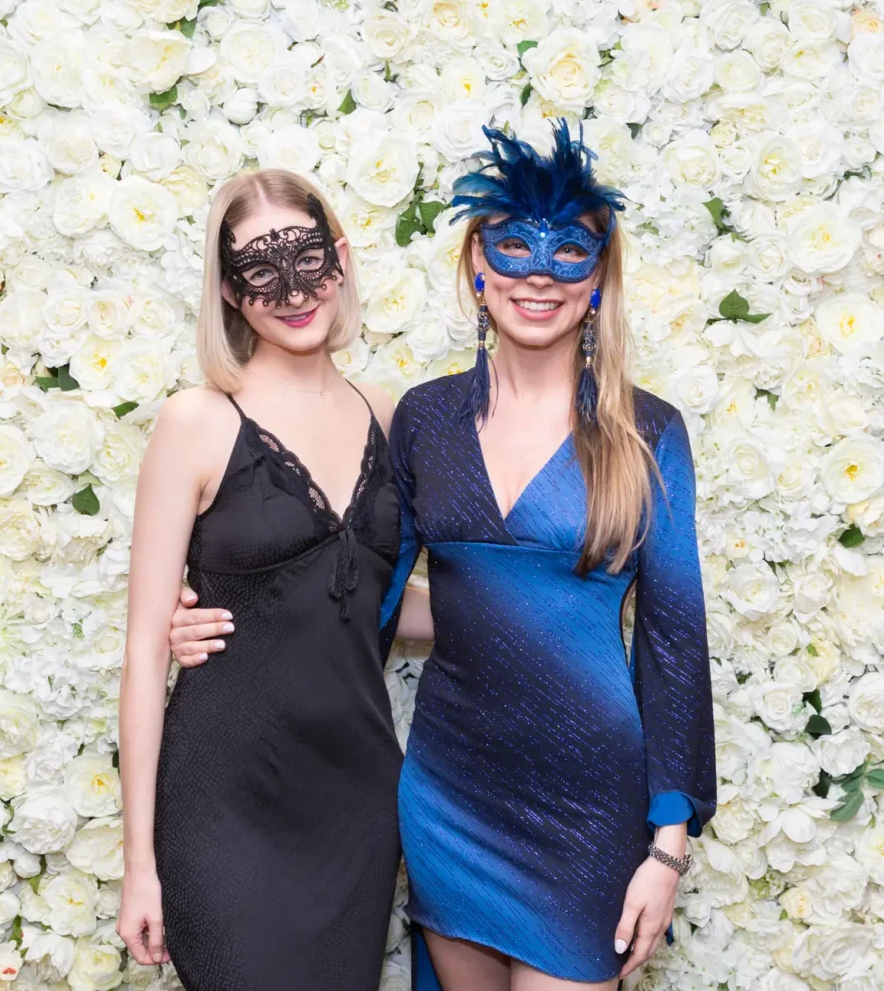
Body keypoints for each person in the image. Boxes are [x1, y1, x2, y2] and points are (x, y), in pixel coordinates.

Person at [169, 122, 717, 989]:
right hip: (452, 797)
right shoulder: (424, 419)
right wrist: (227, 615)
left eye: (569, 253)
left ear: (599, 281)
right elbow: (368, 589)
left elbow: (674, 644)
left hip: (591, 802)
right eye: (514, 250)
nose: (539, 276)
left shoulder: (648, 432)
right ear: (478, 268)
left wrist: (668, 845)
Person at [117, 168, 431, 991]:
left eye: (306, 257)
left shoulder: (388, 415)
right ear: (229, 291)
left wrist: (537, 595)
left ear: (341, 258)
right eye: (260, 268)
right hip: (225, 800)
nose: (292, 291)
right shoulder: (195, 421)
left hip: (357, 799)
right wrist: (139, 863)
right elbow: (146, 651)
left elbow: (373, 597)